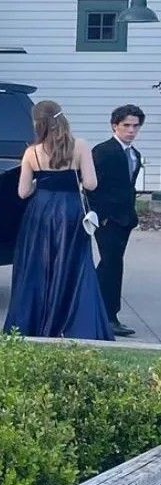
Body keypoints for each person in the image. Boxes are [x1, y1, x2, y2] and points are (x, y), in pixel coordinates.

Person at [4, 100, 112, 341]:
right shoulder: (80, 146)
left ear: (38, 123)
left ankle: (35, 323)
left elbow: (22, 193)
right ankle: (72, 323)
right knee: (74, 265)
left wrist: (38, 184)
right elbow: (92, 184)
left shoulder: (32, 152)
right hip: (71, 210)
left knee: (39, 266)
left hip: (41, 211)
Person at [90, 104, 146, 338]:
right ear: (115, 125)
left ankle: (94, 307)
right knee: (112, 264)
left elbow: (128, 187)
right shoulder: (102, 151)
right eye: (126, 125)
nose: (131, 130)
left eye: (135, 126)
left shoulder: (135, 154)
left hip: (125, 219)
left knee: (109, 265)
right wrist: (99, 216)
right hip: (107, 219)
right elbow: (90, 185)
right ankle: (110, 316)